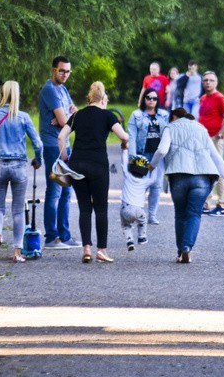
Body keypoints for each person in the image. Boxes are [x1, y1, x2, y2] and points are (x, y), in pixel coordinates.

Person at [149, 107, 224, 264]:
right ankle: (187, 247)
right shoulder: (201, 129)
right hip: (202, 178)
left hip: (179, 176)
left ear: (174, 117)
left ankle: (180, 251)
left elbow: (161, 150)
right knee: (194, 213)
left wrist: (151, 166)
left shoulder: (170, 127)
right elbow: (216, 157)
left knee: (180, 214)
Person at [58, 82, 129, 264]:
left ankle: (87, 249)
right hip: (98, 165)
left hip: (77, 165)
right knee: (101, 208)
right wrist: (124, 144)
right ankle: (102, 251)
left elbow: (61, 136)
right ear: (103, 98)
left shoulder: (77, 115)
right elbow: (124, 136)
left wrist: (65, 158)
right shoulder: (108, 115)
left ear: (89, 98)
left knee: (84, 208)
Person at [0, 81, 43, 263]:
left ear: (2, 94)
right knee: (18, 211)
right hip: (18, 167)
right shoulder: (23, 117)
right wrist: (38, 160)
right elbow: (38, 144)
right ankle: (17, 252)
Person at [38, 55, 81, 250]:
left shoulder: (63, 89)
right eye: (62, 70)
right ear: (53, 69)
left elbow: (74, 114)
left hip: (65, 144)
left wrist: (67, 116)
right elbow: (66, 121)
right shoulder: (49, 90)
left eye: (68, 71)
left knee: (66, 190)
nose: (65, 74)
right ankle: (51, 237)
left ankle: (65, 235)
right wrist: (66, 117)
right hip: (53, 145)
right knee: (55, 190)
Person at [127, 88, 169, 224]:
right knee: (140, 185)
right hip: (142, 154)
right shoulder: (136, 115)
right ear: (144, 99)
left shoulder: (164, 115)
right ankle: (137, 213)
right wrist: (132, 158)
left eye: (155, 98)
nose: (152, 100)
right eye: (149, 98)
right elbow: (132, 137)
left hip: (158, 156)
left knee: (156, 186)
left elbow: (169, 136)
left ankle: (152, 215)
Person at [198, 70, 224, 217]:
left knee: (218, 171)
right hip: (203, 139)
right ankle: (205, 204)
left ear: (216, 82)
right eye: (205, 80)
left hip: (214, 139)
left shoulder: (219, 98)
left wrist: (219, 134)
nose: (208, 82)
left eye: (211, 80)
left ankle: (221, 205)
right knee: (205, 171)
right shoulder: (203, 98)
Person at [119, 150, 157, 251]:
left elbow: (123, 163)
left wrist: (124, 150)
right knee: (143, 221)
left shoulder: (127, 176)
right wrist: (154, 168)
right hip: (138, 210)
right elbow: (153, 179)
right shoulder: (145, 182)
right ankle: (142, 237)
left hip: (125, 209)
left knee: (125, 225)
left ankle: (129, 241)